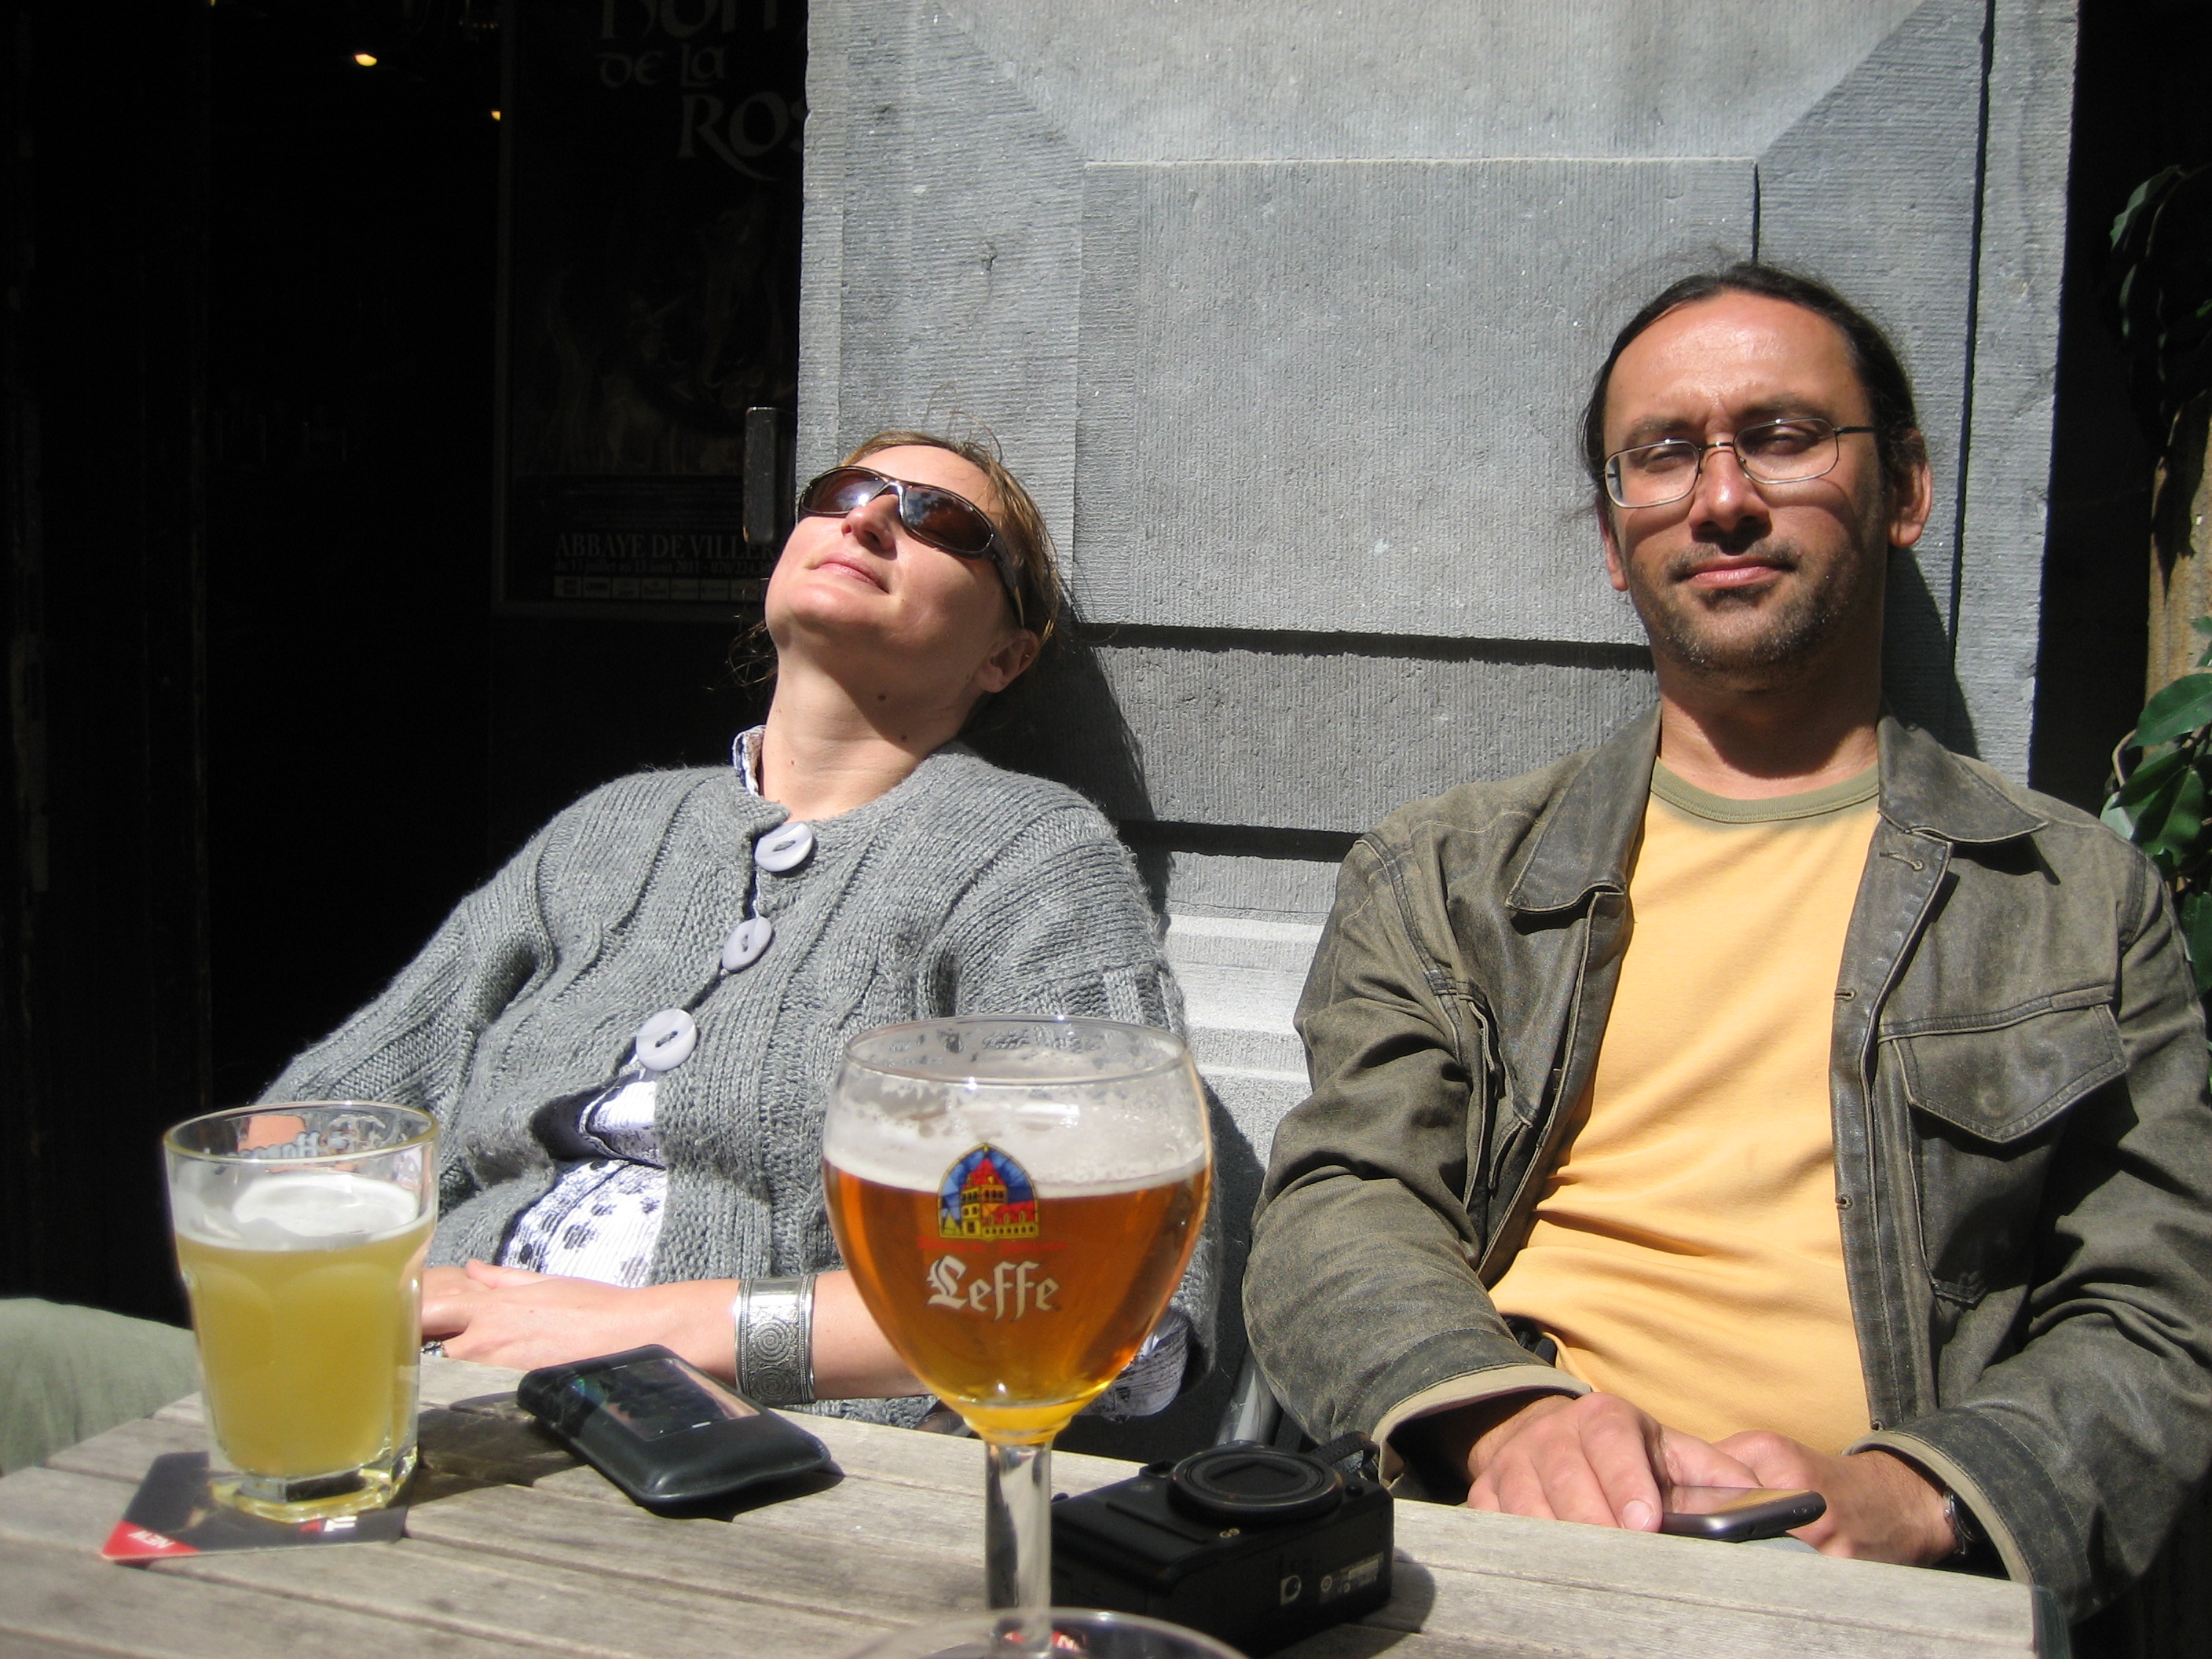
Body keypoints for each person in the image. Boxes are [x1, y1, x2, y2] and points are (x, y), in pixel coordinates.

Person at [1242, 265, 2212, 1621]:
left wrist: (1925, 1493)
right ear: (1614, 535)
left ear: (1905, 491)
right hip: (1509, 1546)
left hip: (1880, 1595)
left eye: (1783, 437)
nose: (1722, 498)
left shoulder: (2078, 898)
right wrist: (1508, 1420)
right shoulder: (1447, 876)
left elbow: (2163, 1305)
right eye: (1663, 455)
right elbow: (1339, 1205)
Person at [2, 430, 1210, 1465]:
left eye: (938, 520)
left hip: (720, 1446)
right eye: (841, 494)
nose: (868, 521)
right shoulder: (610, 831)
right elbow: (316, 1121)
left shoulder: (1026, 857)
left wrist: (655, 1329)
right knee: (20, 1361)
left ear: (1005, 652)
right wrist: (342, 1289)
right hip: (414, 1387)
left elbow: (1111, 1310)